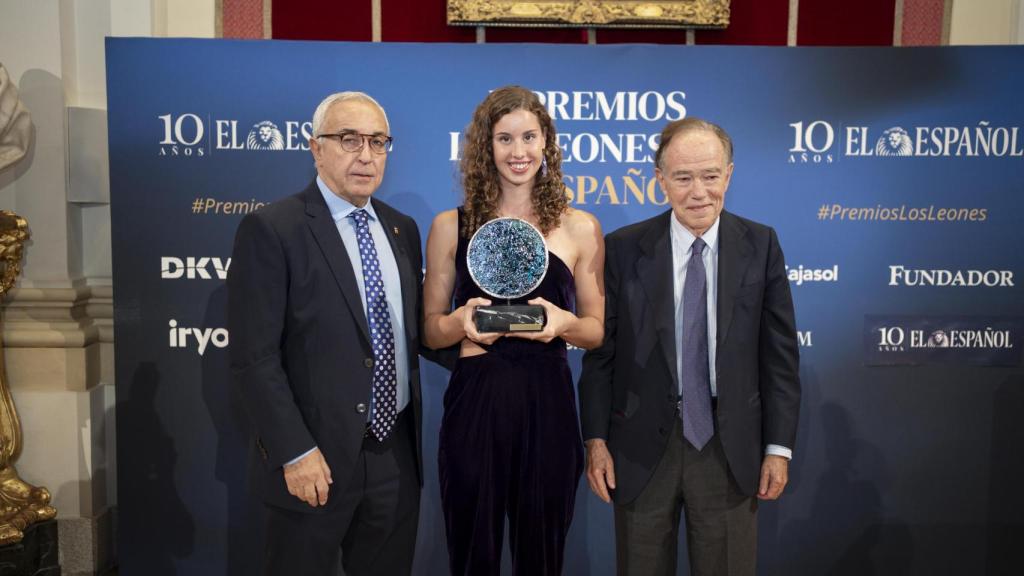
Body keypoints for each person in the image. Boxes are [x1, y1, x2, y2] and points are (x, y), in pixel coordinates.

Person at [579, 117, 801, 576]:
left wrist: (778, 448)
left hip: (730, 449)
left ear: (730, 174)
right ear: (660, 181)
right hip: (640, 450)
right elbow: (602, 356)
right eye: (683, 177)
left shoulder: (761, 245)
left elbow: (779, 357)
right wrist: (596, 439)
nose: (699, 191)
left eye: (710, 175)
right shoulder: (623, 249)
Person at [227, 91, 424, 576]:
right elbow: (254, 358)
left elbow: (410, 334)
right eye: (349, 139)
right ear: (315, 147)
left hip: (393, 455)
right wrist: (295, 452)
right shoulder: (273, 228)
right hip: (314, 457)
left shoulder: (403, 229)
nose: (366, 155)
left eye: (378, 142)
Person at [423, 85, 605, 575]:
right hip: (476, 398)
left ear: (546, 140)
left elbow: (595, 331)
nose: (518, 152)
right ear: (486, 147)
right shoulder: (449, 226)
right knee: (471, 551)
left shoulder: (580, 227)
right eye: (504, 139)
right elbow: (430, 331)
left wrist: (564, 323)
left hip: (548, 402)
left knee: (542, 555)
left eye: (529, 137)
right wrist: (460, 322)